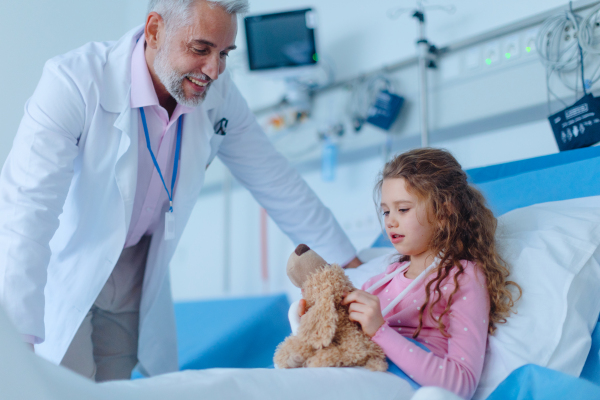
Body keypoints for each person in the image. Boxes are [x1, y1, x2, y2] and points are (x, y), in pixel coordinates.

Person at [0, 0, 361, 382]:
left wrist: (352, 268)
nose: (214, 70)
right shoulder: (73, 81)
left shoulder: (220, 97)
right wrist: (13, 338)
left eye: (224, 54)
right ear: (155, 30)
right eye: (201, 49)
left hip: (135, 267)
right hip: (66, 262)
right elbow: (26, 211)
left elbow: (278, 182)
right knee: (63, 385)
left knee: (114, 388)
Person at [339, 148, 521, 399]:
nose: (390, 221)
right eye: (386, 211)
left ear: (444, 212)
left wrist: (380, 331)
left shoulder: (461, 277)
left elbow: (461, 384)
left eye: (403, 209)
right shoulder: (381, 280)